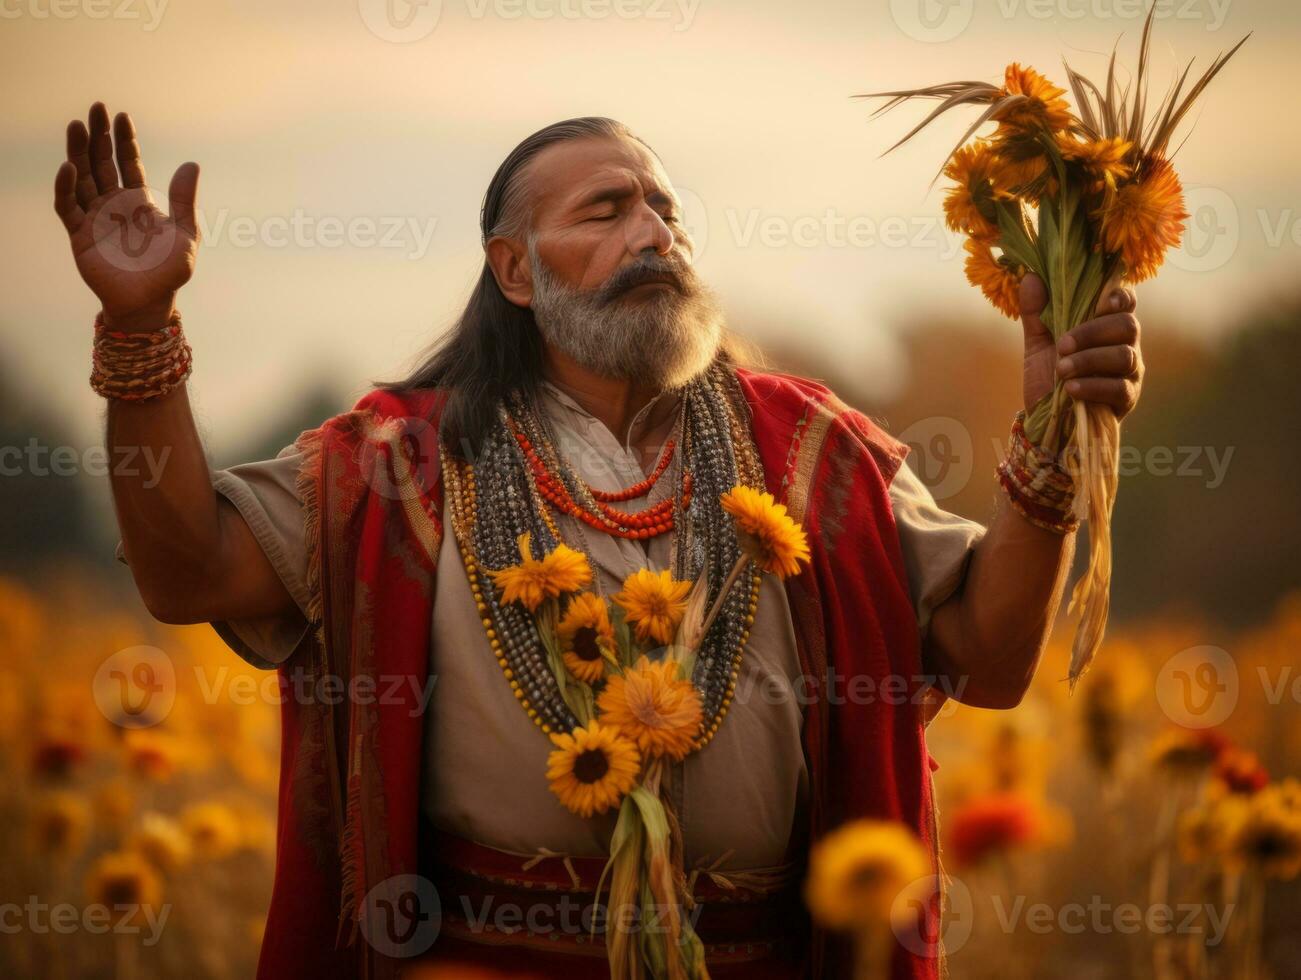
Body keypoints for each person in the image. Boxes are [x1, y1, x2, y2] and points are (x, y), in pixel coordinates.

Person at [55, 106, 1145, 979]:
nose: (652, 233)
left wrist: (1054, 436)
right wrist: (140, 329)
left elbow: (993, 661)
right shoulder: (398, 459)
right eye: (606, 209)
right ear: (516, 271)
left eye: (665, 211)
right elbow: (185, 569)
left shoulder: (810, 449)